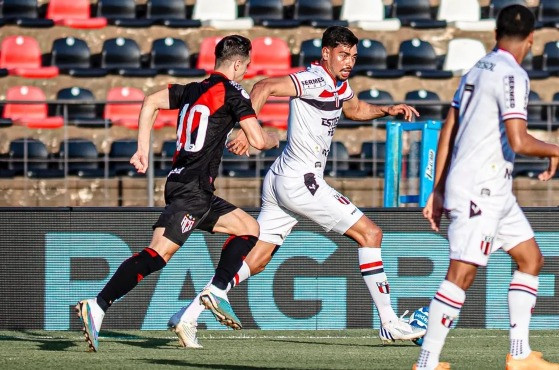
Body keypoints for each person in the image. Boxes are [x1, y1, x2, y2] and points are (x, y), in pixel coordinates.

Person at [168, 26, 426, 348]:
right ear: (326, 53)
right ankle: (389, 322)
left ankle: (190, 312)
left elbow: (354, 108)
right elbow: (263, 85)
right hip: (301, 181)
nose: (349, 62)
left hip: (280, 179)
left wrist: (386, 109)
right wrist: (248, 131)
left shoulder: (339, 83)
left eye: (354, 57)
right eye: (343, 55)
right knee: (371, 234)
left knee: (258, 260)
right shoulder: (313, 79)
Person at [75, 35, 280, 352]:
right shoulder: (232, 92)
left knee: (248, 228)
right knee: (157, 254)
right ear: (238, 64)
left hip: (187, 184)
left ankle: (216, 291)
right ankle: (99, 305)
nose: (246, 71)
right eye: (247, 65)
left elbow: (150, 102)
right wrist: (273, 137)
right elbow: (255, 139)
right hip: (193, 189)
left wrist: (143, 148)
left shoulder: (192, 89)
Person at [413, 5, 559, 370]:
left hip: (494, 188)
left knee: (530, 258)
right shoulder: (513, 75)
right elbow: (519, 140)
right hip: (481, 189)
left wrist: (437, 187)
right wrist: (556, 149)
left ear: (495, 34)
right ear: (531, 39)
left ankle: (520, 354)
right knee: (461, 273)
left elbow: (448, 130)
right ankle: (427, 362)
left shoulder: (475, 70)